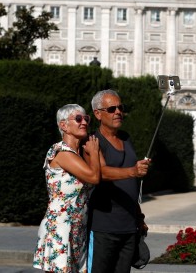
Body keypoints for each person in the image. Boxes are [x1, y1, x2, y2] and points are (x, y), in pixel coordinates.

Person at [86, 89, 150, 273]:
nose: (118, 112)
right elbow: (101, 172)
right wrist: (132, 171)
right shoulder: (93, 141)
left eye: (120, 108)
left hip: (129, 226)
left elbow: (131, 185)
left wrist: (138, 216)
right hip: (103, 227)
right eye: (112, 108)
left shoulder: (126, 138)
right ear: (98, 114)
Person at [33, 104, 101, 272]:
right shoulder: (61, 152)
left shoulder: (77, 155)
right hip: (61, 227)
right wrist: (94, 152)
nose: (84, 122)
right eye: (78, 119)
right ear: (63, 125)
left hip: (77, 228)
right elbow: (94, 177)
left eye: (86, 118)